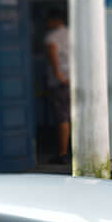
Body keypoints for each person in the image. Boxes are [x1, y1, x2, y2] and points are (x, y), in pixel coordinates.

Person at [43, 9, 70, 163]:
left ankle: (62, 153)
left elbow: (53, 57)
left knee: (62, 117)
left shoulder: (52, 37)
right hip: (75, 79)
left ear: (55, 20)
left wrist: (59, 77)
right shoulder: (73, 33)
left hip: (61, 82)